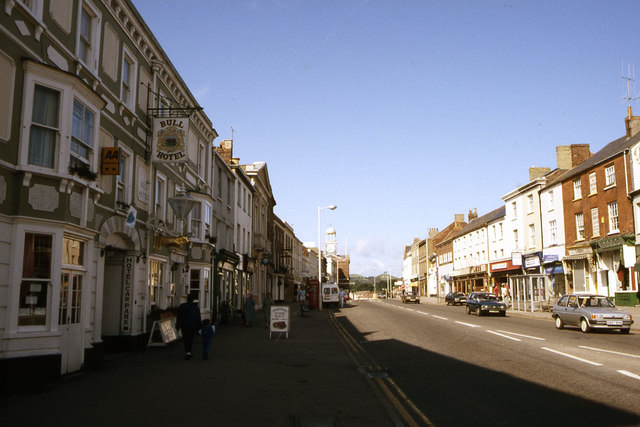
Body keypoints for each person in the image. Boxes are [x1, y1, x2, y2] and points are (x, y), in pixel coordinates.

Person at [175, 293, 202, 360]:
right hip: (192, 325)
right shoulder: (195, 307)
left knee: (186, 338)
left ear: (187, 299)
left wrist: (178, 325)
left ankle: (187, 351)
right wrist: (199, 327)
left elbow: (179, 317)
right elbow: (198, 318)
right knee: (190, 338)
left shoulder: (182, 306)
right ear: (193, 300)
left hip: (184, 325)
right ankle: (189, 352)